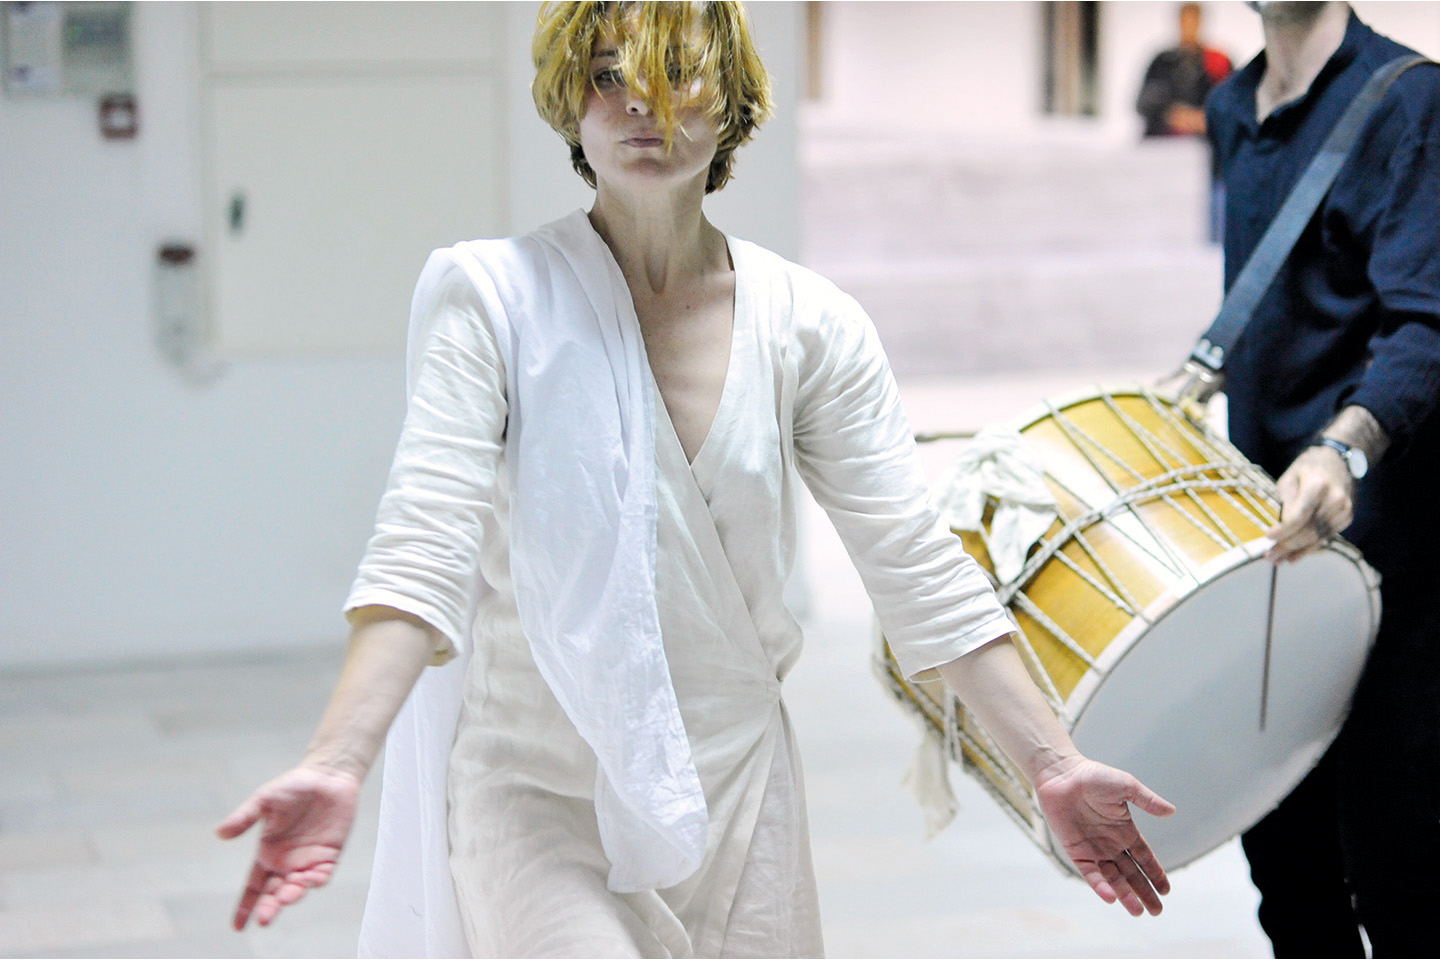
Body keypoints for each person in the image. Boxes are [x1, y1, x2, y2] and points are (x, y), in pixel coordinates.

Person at [216, 3, 1174, 956]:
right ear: (570, 101)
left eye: (678, 72)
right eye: (607, 76)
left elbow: (914, 563)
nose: (642, 103)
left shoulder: (809, 323)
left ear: (736, 99)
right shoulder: (496, 300)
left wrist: (1052, 763)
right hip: (539, 786)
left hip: (737, 785)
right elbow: (423, 542)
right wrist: (337, 760)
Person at [1200, 2, 1440, 954]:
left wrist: (1344, 445)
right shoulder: (1232, 106)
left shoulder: (1412, 99)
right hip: (1270, 547)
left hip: (1391, 550)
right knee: (1287, 873)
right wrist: (1205, 371)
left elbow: (1427, 322)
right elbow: (1279, 294)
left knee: (1402, 868)